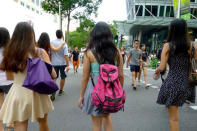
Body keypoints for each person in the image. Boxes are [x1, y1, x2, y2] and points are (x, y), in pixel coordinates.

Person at [0, 22, 55, 131]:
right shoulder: (39, 52)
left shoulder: (9, 53)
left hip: (18, 93)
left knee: (20, 125)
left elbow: (10, 77)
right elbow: (54, 74)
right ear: (32, 35)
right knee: (43, 123)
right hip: (38, 92)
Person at [78, 22, 124, 131]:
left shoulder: (89, 53)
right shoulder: (116, 52)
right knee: (107, 117)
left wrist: (81, 96)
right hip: (110, 91)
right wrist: (119, 92)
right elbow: (121, 76)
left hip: (94, 91)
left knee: (96, 122)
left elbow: (85, 77)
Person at [155, 19, 196, 131]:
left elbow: (162, 67)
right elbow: (195, 65)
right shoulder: (193, 46)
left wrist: (157, 71)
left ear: (172, 30)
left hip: (173, 82)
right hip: (188, 83)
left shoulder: (168, 46)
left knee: (173, 119)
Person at [0, 27, 13, 131]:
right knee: (11, 102)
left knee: (0, 104)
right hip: (9, 80)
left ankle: (0, 127)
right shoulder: (10, 49)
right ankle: (10, 122)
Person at [51, 30, 69, 100]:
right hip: (62, 63)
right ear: (62, 35)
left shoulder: (51, 42)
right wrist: (67, 65)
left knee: (54, 77)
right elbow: (66, 55)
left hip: (54, 63)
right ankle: (61, 91)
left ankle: (53, 90)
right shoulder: (64, 43)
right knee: (63, 77)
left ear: (56, 35)